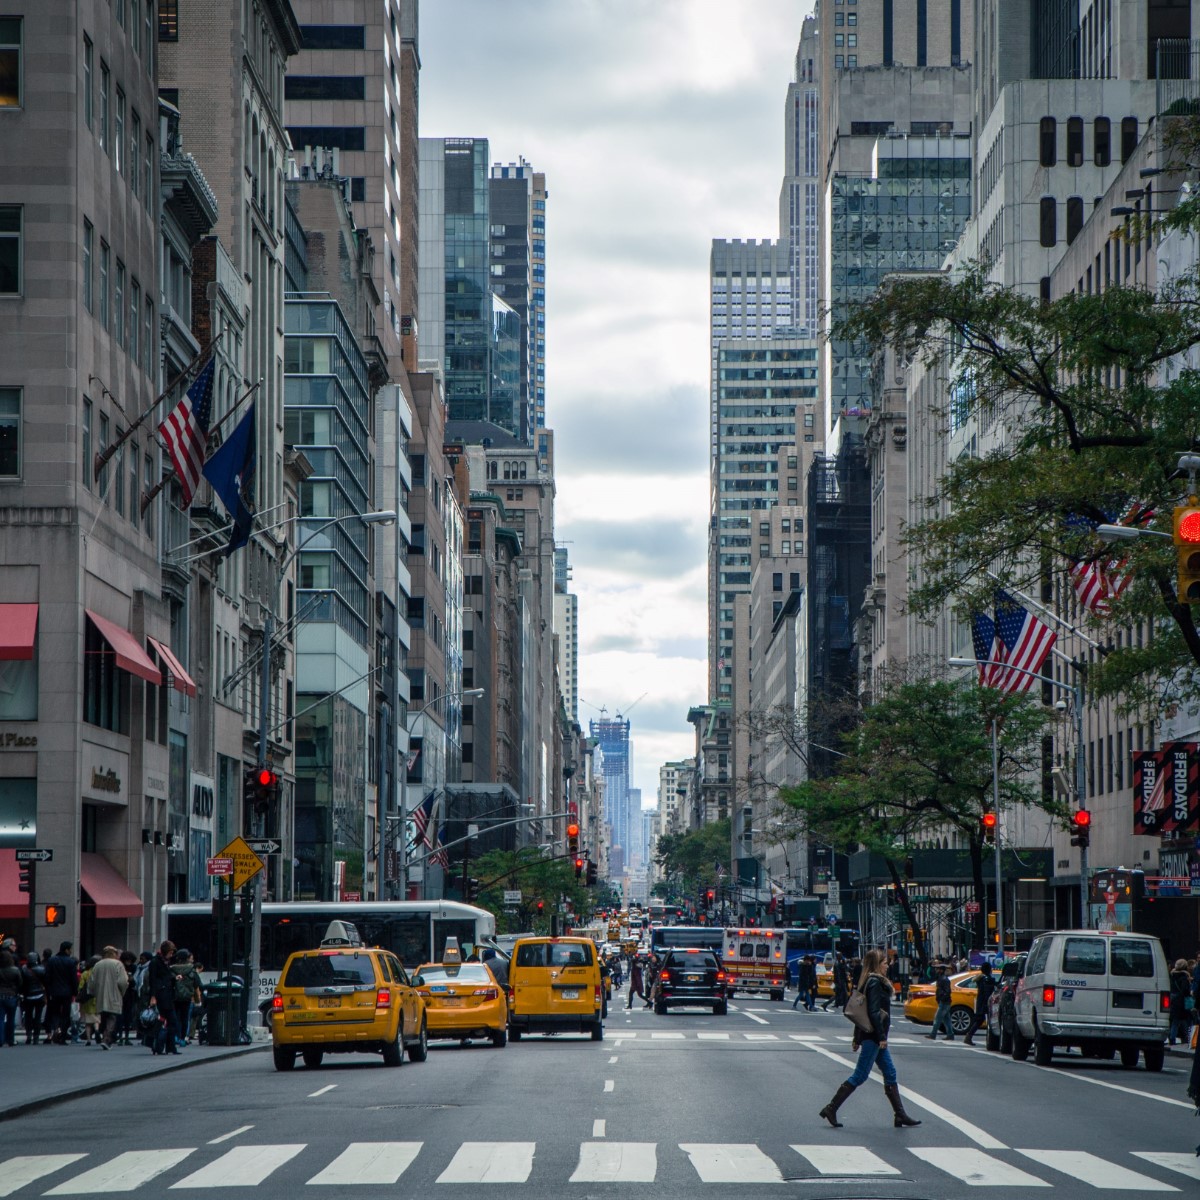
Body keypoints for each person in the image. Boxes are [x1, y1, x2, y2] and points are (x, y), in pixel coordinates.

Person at [819, 947, 921, 1129]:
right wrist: (880, 1037)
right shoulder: (875, 983)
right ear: (876, 965)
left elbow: (863, 1012)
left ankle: (900, 1114)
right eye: (884, 963)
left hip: (872, 1036)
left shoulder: (869, 981)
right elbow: (873, 1012)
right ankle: (831, 1108)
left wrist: (857, 1038)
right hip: (874, 1037)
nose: (888, 966)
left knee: (890, 1073)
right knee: (860, 1075)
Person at [89, 946, 128, 1049]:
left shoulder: (98, 964)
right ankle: (107, 1039)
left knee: (104, 1016)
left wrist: (93, 992)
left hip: (101, 995)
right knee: (112, 1017)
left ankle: (103, 1035)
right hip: (114, 994)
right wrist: (122, 992)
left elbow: (91, 982)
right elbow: (122, 981)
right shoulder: (118, 964)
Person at [147, 940, 181, 1055]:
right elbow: (152, 980)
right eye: (171, 953)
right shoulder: (155, 962)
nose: (171, 955)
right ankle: (161, 1045)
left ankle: (165, 1046)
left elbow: (164, 978)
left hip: (166, 995)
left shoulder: (165, 962)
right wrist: (153, 996)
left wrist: (174, 978)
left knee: (167, 1022)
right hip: (161, 996)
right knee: (169, 1021)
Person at [44, 940, 78, 1045]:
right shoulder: (71, 962)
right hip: (67, 992)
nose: (71, 951)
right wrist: (75, 992)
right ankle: (62, 1036)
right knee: (65, 1015)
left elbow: (47, 977)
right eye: (70, 949)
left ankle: (56, 1030)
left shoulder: (51, 960)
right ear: (67, 950)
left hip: (54, 991)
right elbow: (73, 979)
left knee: (54, 1013)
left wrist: (48, 990)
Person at [172, 949, 202, 1048]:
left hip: (174, 997)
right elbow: (198, 984)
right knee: (185, 1018)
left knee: (175, 1017)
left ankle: (175, 1036)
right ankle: (182, 1038)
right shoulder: (192, 970)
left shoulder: (172, 969)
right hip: (187, 997)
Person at [963, 960, 995, 1047]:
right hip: (985, 1002)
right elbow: (987, 991)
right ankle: (969, 1036)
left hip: (981, 1001)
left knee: (979, 1020)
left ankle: (969, 1036)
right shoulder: (986, 979)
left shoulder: (981, 978)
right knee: (983, 1020)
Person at [20, 951, 46, 1044]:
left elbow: (21, 983)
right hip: (39, 994)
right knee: (38, 1017)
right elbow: (45, 982)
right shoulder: (42, 969)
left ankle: (29, 1035)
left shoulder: (24, 969)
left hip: (28, 995)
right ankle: (36, 1037)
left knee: (28, 1016)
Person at [1169, 958, 1193, 1046]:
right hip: (1182, 1001)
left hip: (1174, 1000)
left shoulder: (1172, 975)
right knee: (1188, 1020)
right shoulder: (1184, 977)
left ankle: (1172, 1038)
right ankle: (1188, 1037)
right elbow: (1185, 990)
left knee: (1176, 1021)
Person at [927, 964, 954, 1041]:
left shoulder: (944, 979)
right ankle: (950, 1034)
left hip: (944, 1002)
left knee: (937, 1019)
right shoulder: (942, 978)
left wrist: (942, 998)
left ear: (941, 970)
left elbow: (947, 991)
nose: (936, 971)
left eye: (938, 969)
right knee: (946, 1019)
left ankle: (933, 1034)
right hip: (944, 1001)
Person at [0, 948, 21, 1047]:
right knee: (11, 1019)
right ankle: (10, 1039)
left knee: (0, 1019)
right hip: (11, 995)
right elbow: (20, 983)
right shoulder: (15, 970)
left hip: (0, 995)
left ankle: (1, 1039)